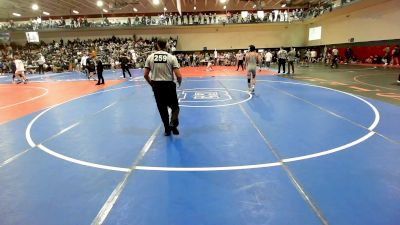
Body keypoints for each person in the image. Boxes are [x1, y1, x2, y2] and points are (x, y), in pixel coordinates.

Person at [144, 39, 183, 136]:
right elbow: (178, 75)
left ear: (157, 45)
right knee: (175, 107)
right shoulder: (171, 57)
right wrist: (179, 82)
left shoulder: (150, 57)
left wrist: (152, 85)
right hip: (168, 85)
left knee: (162, 109)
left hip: (157, 86)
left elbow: (145, 75)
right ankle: (173, 123)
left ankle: (167, 130)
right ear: (166, 45)